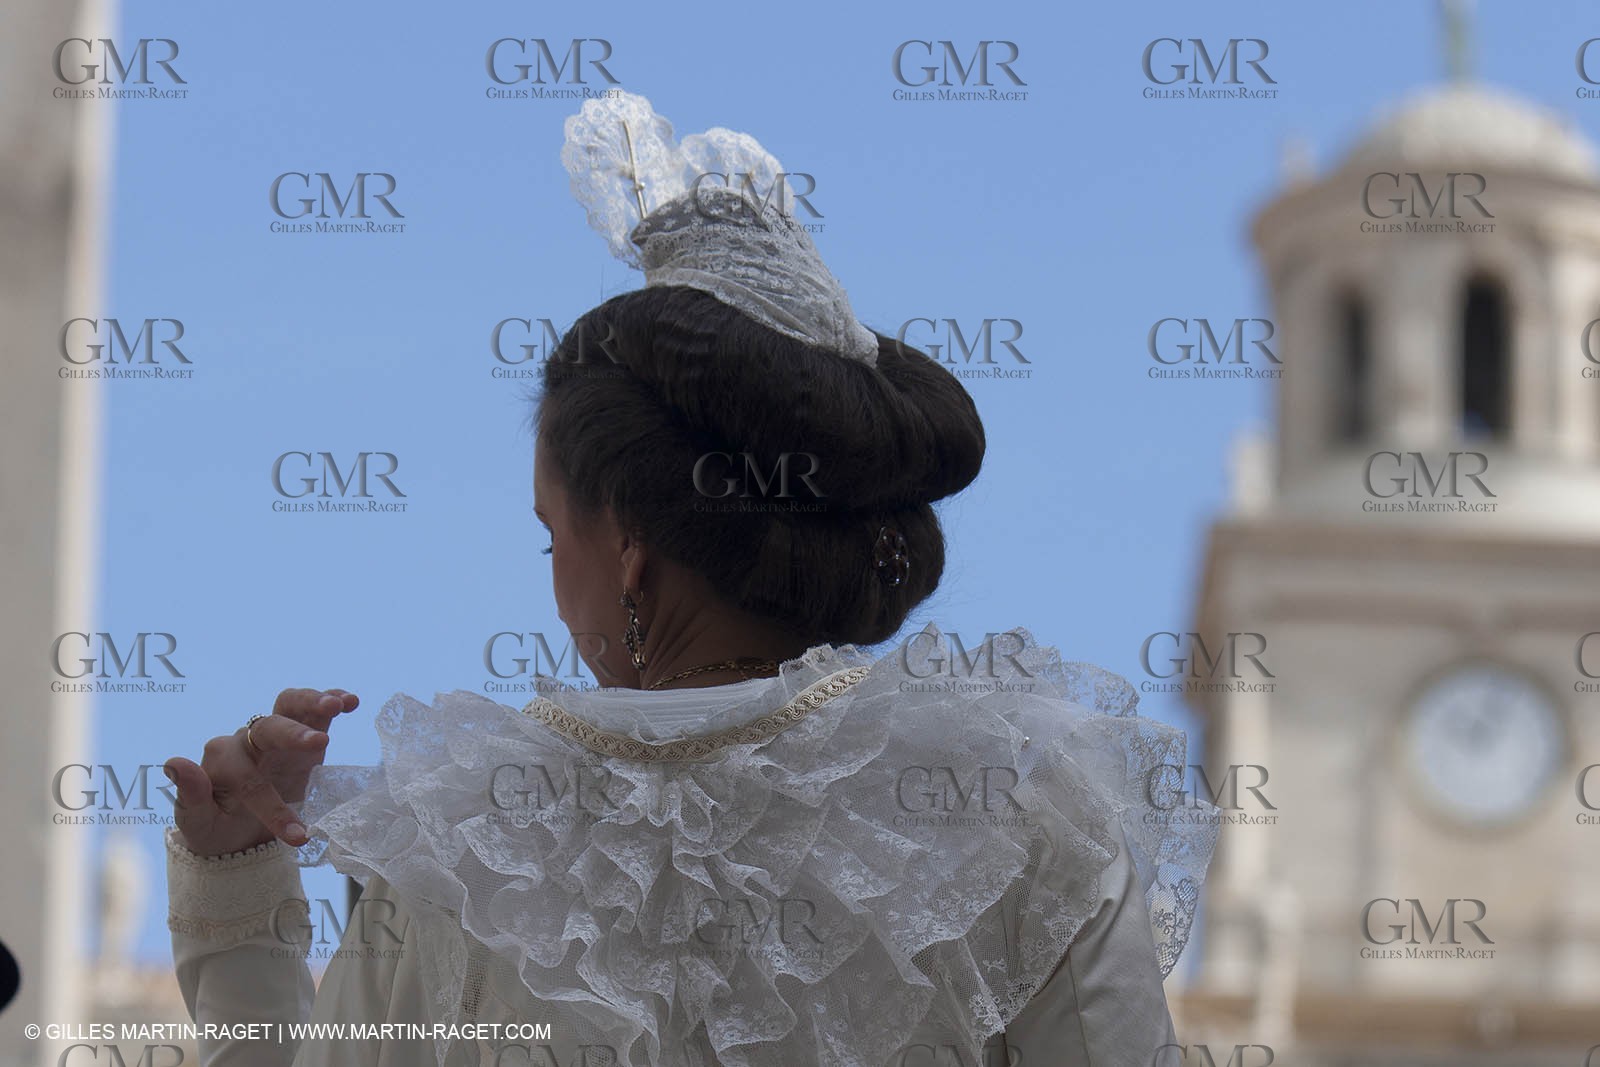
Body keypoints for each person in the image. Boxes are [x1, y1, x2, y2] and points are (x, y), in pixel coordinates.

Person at [163, 91, 1216, 1067]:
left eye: (550, 538)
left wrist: (237, 892)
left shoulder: (466, 845)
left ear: (626, 543)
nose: (555, 586)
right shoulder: (1019, 800)